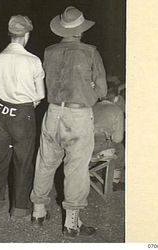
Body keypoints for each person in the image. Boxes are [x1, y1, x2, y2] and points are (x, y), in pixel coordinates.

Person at [30, 6, 107, 238]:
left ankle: (38, 213)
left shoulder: (49, 51)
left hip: (52, 113)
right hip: (78, 115)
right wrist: (91, 90)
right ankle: (72, 224)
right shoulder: (90, 52)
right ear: (81, 31)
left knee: (45, 163)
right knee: (76, 169)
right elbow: (102, 89)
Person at [0, 15, 45, 219]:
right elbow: (40, 95)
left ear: (10, 34)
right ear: (27, 35)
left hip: (0, 111)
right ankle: (19, 208)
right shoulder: (33, 61)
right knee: (23, 160)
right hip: (22, 114)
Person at [93, 87, 125, 191]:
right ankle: (115, 182)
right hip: (98, 147)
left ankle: (93, 173)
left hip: (83, 144)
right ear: (116, 98)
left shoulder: (92, 106)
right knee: (120, 148)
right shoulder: (117, 111)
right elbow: (118, 139)